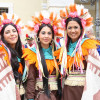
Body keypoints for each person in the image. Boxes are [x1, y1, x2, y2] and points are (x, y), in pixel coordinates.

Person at [54, 4, 100, 100]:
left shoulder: (88, 45)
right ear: (66, 29)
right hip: (67, 89)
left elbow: (95, 71)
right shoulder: (63, 49)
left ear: (81, 29)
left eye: (76, 27)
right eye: (69, 28)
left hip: (84, 90)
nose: (73, 31)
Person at [22, 11, 63, 100]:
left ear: (53, 35)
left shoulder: (58, 53)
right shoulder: (32, 53)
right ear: (38, 35)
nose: (46, 36)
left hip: (56, 94)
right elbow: (31, 79)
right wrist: (30, 98)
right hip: (40, 94)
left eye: (49, 33)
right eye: (43, 33)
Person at [0, 12, 25, 100]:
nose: (12, 34)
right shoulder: (1, 54)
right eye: (7, 32)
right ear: (2, 36)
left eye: (14, 31)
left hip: (21, 94)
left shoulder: (23, 53)